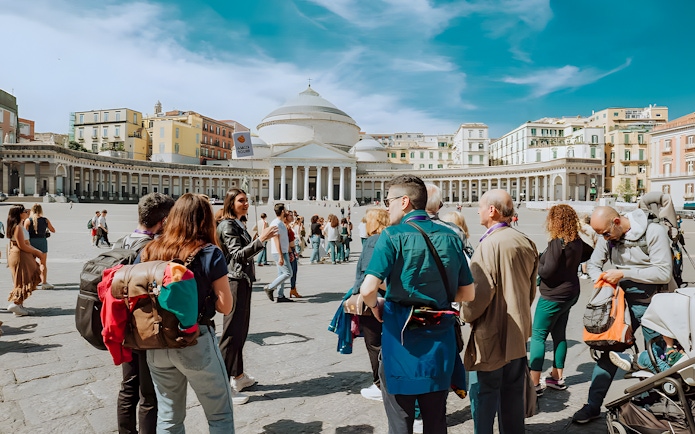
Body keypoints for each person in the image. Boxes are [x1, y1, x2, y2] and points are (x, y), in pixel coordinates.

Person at [359, 175, 475, 434]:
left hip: (401, 342)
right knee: (436, 420)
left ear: (405, 201)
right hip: (439, 341)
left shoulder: (392, 236)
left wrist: (376, 306)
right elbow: (467, 293)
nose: (386, 207)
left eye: (389, 201)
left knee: (400, 421)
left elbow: (367, 288)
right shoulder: (452, 236)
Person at [139, 193, 235, 433]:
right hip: (195, 339)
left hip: (158, 341)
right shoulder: (209, 252)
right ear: (206, 221)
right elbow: (225, 306)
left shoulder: (151, 249)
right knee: (219, 415)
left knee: (169, 415)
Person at [572, 205, 673, 424]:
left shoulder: (654, 232)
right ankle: (592, 405)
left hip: (651, 303)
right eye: (600, 235)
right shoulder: (607, 236)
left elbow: (664, 272)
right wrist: (603, 282)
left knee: (654, 356)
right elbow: (593, 265)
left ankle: (653, 408)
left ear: (617, 222)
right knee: (608, 351)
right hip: (618, 303)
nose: (604, 238)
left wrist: (624, 273)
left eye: (606, 233)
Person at [461, 189, 538, 434]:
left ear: (492, 211)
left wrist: (465, 314)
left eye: (481, 206)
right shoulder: (525, 241)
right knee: (513, 394)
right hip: (518, 329)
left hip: (491, 332)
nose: (477, 211)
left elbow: (478, 296)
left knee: (484, 394)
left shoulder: (488, 245)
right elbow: (531, 289)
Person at [115, 192, 175, 434]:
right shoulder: (154, 249)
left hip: (120, 324)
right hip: (144, 328)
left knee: (128, 387)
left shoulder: (120, 243)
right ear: (162, 222)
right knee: (149, 394)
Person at [216, 188, 278, 406]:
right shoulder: (227, 225)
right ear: (230, 202)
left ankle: (238, 376)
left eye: (247, 200)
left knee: (241, 330)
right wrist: (261, 239)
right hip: (233, 281)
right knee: (231, 333)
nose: (246, 204)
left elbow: (246, 251)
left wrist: (260, 240)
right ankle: (222, 386)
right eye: (241, 200)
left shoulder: (238, 223)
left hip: (243, 280)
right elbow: (236, 255)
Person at [529, 204, 583, 396]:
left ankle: (533, 383)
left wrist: (540, 261)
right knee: (559, 334)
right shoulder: (576, 240)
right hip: (571, 293)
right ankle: (556, 377)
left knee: (538, 336)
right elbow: (589, 253)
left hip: (552, 296)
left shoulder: (556, 242)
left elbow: (547, 271)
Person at [352, 208, 390, 401]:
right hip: (387, 299)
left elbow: (370, 274)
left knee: (374, 344)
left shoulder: (373, 241)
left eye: (367, 220)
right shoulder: (388, 238)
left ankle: (379, 384)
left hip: (373, 300)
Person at [6, 205, 44, 316]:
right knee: (23, 278)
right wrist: (36, 252)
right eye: (24, 211)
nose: (27, 212)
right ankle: (16, 303)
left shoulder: (20, 225)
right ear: (19, 214)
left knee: (24, 277)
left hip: (21, 254)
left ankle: (19, 305)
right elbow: (22, 245)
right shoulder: (17, 227)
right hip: (20, 254)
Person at [264, 203, 293, 303]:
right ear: (282, 212)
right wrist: (281, 256)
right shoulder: (275, 223)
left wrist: (289, 252)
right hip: (279, 252)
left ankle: (280, 295)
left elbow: (284, 240)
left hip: (283, 251)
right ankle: (270, 287)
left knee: (281, 273)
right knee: (288, 273)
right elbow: (276, 240)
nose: (286, 212)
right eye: (285, 210)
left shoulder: (280, 223)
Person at [25, 204, 56, 289]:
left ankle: (31, 282)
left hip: (31, 243)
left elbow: (25, 233)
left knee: (31, 263)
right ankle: (44, 282)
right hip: (42, 242)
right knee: (43, 263)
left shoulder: (28, 220)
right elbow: (53, 230)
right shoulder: (45, 220)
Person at [285, 211, 301, 298]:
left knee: (294, 271)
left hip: (292, 250)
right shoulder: (285, 227)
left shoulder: (289, 226)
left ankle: (293, 289)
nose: (292, 217)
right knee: (288, 272)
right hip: (289, 251)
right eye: (290, 216)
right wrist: (291, 252)